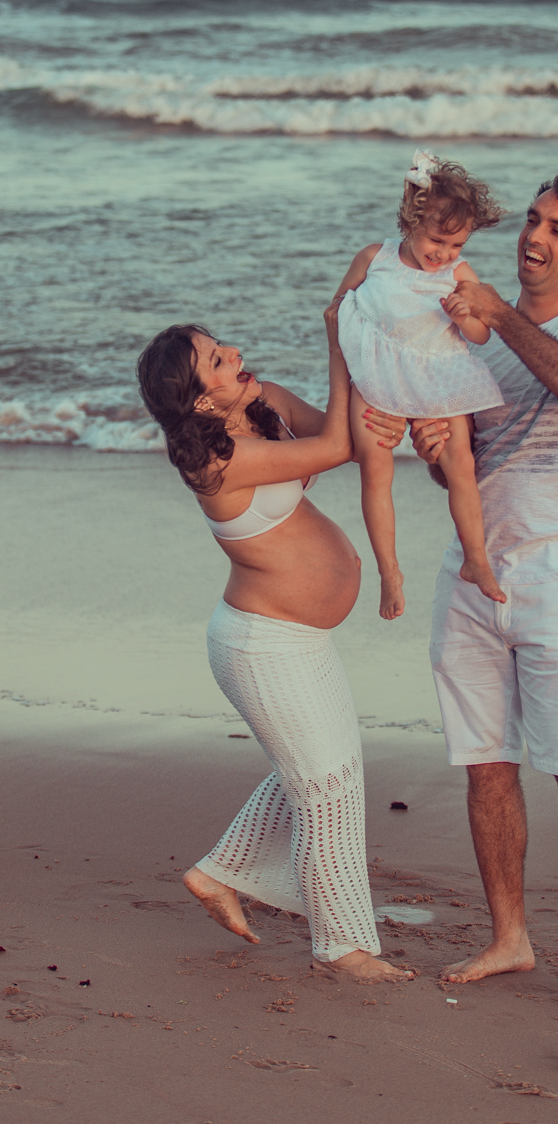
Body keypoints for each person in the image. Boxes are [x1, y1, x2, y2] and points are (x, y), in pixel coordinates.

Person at [411, 163, 558, 1016]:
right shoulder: (471, 338)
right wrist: (435, 451)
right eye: (535, 219)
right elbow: (462, 471)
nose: (535, 237)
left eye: (557, 230)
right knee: (486, 767)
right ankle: (510, 937)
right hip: (475, 574)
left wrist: (500, 316)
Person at [137, 310, 411, 982]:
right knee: (326, 788)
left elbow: (349, 435)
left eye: (222, 346)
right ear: (203, 402)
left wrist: (385, 399)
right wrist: (338, 338)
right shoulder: (216, 462)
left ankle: (218, 873)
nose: (234, 352)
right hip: (261, 646)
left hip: (296, 638)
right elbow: (336, 447)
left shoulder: (265, 405)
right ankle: (341, 948)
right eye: (217, 360)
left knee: (326, 773)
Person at [336, 149, 506, 620]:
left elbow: (481, 335)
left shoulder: (459, 274)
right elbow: (338, 311)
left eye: (457, 245)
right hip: (377, 370)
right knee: (375, 467)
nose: (444, 254)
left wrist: (465, 314)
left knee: (460, 463)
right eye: (437, 240)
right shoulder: (375, 258)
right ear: (411, 219)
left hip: (437, 373)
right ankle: (389, 571)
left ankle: (476, 558)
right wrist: (356, 377)